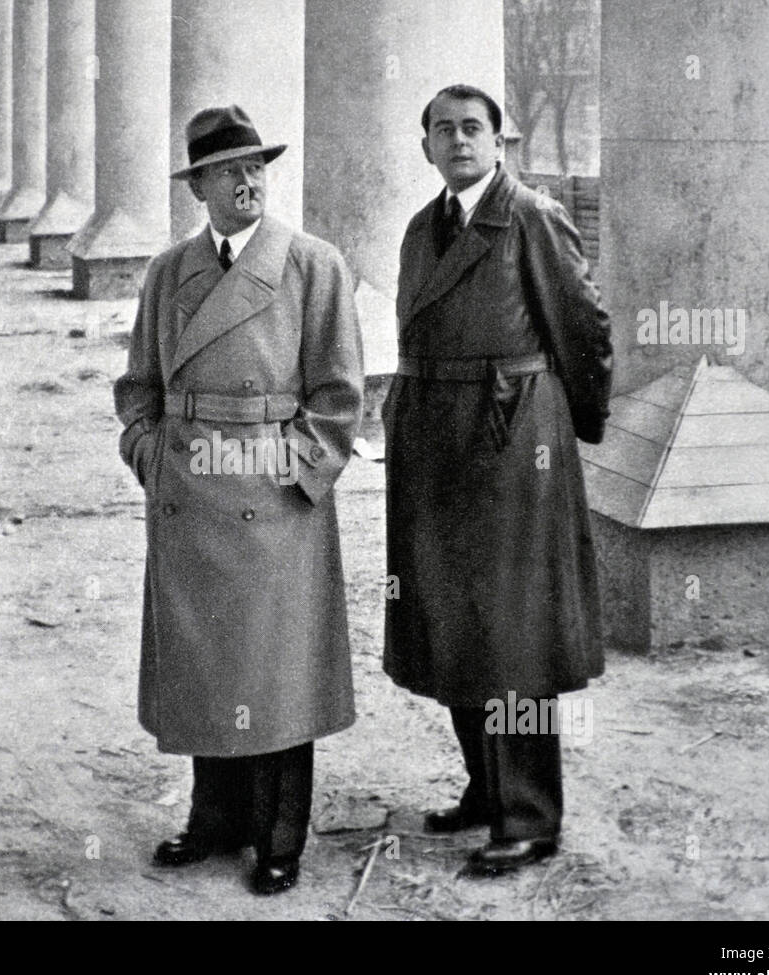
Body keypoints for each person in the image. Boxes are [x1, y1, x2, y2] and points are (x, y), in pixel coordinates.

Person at [114, 106, 364, 896]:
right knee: (204, 659)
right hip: (189, 487)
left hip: (273, 495)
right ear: (201, 187)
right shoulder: (167, 272)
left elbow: (339, 394)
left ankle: (278, 833)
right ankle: (213, 816)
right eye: (229, 171)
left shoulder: (313, 265)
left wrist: (296, 471)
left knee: (276, 668)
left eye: (257, 166)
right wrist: (150, 454)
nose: (248, 180)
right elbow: (137, 390)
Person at [382, 84, 613, 875]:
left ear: (500, 141)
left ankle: (529, 815)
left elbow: (584, 328)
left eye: (472, 128)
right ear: (426, 148)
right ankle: (485, 787)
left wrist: (562, 425)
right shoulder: (422, 229)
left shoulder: (531, 217)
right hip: (433, 445)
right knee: (449, 618)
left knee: (513, 631)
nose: (458, 141)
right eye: (442, 130)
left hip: (514, 444)